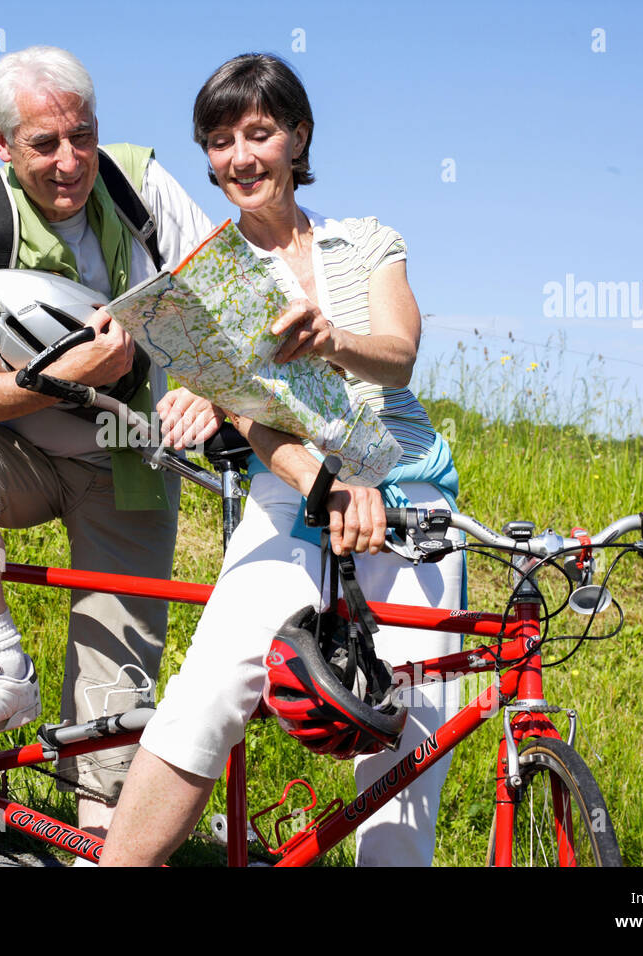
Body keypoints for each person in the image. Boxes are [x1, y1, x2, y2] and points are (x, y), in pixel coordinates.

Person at [101, 53, 464, 867]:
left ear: (298, 138)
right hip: (295, 493)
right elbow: (255, 419)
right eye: (220, 141)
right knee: (210, 689)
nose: (240, 158)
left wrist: (333, 341)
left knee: (409, 737)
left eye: (259, 133)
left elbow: (399, 357)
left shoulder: (366, 240)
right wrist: (323, 483)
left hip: (412, 498)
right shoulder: (210, 277)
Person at [0, 45, 214, 838]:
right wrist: (56, 377)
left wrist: (204, 386)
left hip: (126, 461)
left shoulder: (137, 182)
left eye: (83, 135)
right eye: (45, 144)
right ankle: (1, 665)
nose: (71, 161)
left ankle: (98, 842)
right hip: (13, 455)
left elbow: (224, 294)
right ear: (2, 144)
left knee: (118, 707)